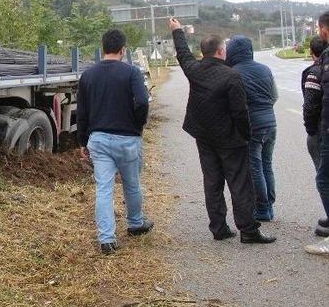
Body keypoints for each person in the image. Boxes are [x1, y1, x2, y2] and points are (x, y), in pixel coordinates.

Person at [168, 18, 275, 244]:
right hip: (230, 140)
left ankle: (218, 228)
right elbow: (240, 112)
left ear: (203, 52)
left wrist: (177, 30)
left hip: (204, 137)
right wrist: (246, 135)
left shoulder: (195, 70)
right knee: (240, 184)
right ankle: (248, 230)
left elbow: (183, 53)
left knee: (212, 182)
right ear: (220, 51)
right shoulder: (232, 76)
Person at [77, 29, 153, 255]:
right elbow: (143, 102)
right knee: (132, 184)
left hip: (99, 140)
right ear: (123, 50)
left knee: (103, 188)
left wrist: (82, 141)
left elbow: (82, 112)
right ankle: (135, 223)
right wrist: (138, 124)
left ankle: (107, 239)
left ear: (103, 48)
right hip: (128, 138)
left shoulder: (88, 75)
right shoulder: (131, 72)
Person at [226, 36, 279, 221]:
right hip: (270, 123)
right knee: (267, 164)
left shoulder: (233, 73)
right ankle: (269, 206)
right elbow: (274, 96)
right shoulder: (265, 69)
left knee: (254, 167)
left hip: (252, 125)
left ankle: (262, 208)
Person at [305, 11, 329, 255]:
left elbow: (312, 103)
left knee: (324, 180)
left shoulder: (320, 65)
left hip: (325, 130)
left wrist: (312, 130)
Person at [303, 35, 326, 171]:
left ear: (311, 51)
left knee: (323, 174)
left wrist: (311, 130)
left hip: (321, 129)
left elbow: (310, 106)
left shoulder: (313, 74)